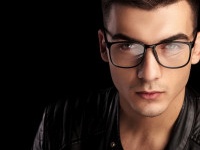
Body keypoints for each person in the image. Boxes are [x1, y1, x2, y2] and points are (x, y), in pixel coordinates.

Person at [32, 0, 200, 149]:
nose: (149, 74)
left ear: (196, 48)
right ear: (103, 47)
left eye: (172, 46)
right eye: (128, 46)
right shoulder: (59, 124)